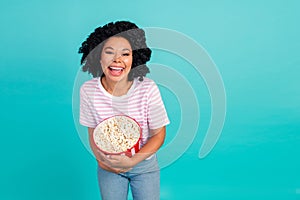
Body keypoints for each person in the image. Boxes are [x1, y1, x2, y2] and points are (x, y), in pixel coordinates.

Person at [78, 21, 170, 200]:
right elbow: (93, 133)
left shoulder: (148, 89)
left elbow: (158, 135)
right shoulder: (88, 90)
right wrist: (102, 161)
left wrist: (133, 161)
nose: (117, 59)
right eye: (109, 52)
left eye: (125, 54)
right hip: (109, 166)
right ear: (98, 56)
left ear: (134, 58)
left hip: (144, 165)